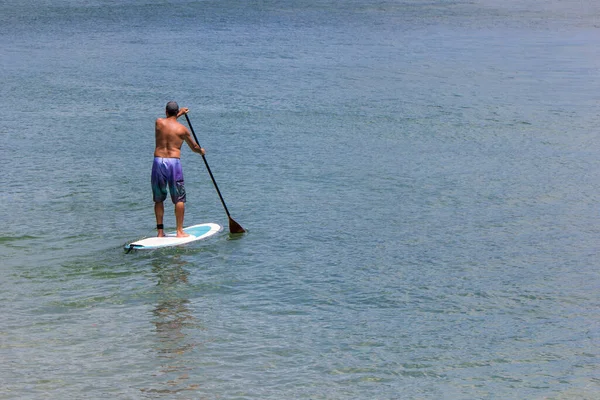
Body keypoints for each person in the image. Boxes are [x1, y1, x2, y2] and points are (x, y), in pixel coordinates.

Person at [151, 101, 205, 237]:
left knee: (158, 199)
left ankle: (160, 232)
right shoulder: (182, 130)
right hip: (173, 163)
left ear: (165, 111)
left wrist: (179, 113)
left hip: (158, 162)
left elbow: (168, 121)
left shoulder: (159, 122)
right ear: (176, 113)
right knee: (179, 199)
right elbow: (194, 148)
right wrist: (201, 151)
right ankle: (179, 231)